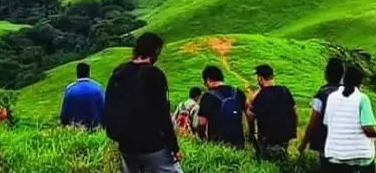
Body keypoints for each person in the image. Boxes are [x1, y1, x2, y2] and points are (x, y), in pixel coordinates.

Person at [104, 32, 182, 173]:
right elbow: (163, 114)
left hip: (126, 145)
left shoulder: (118, 73)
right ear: (156, 51)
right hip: (152, 144)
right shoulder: (154, 74)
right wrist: (174, 147)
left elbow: (109, 108)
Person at [322, 65, 376, 172]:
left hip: (335, 156)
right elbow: (368, 129)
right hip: (360, 158)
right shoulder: (362, 98)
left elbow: (327, 123)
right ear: (360, 83)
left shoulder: (331, 98)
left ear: (343, 79)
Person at [247, 63, 297, 162]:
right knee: (282, 160)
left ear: (260, 79)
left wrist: (252, 133)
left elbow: (250, 114)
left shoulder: (261, 95)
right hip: (284, 137)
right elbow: (295, 111)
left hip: (267, 138)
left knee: (266, 162)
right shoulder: (284, 91)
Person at [299, 58, 345, 165]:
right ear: (342, 76)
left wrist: (303, 144)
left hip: (326, 145)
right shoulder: (351, 94)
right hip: (347, 147)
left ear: (326, 75)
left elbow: (312, 124)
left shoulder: (321, 95)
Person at [197, 65, 247, 148]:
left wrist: (202, 137)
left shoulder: (207, 96)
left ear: (208, 80)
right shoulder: (238, 93)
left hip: (217, 144)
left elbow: (202, 123)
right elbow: (249, 113)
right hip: (238, 142)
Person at [61, 62, 106, 129]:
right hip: (97, 129)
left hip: (77, 131)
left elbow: (64, 116)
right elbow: (105, 110)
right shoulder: (99, 88)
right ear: (89, 73)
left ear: (77, 73)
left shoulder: (70, 89)